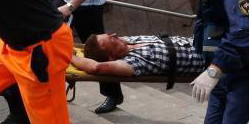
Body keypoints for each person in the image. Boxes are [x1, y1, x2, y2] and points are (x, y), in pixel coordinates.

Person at [72, 33, 205, 78]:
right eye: (112, 40)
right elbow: (96, 67)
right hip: (209, 60)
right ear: (111, 57)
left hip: (202, 40)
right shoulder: (133, 62)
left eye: (110, 34)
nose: (115, 35)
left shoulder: (126, 42)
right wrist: (70, 56)